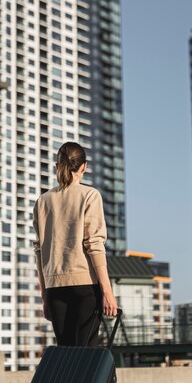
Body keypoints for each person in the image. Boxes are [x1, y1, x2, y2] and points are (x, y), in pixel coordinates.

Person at [33, 142, 118, 346]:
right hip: (85, 285)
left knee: (67, 360)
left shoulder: (43, 201)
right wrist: (107, 291)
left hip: (55, 288)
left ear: (57, 166)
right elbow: (94, 244)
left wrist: (45, 296)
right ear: (84, 167)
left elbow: (40, 252)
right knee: (85, 356)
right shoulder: (90, 195)